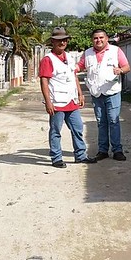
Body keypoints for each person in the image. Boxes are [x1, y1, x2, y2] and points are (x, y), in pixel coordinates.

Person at [39, 27, 97, 168]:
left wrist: (80, 93)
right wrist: (48, 102)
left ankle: (80, 155)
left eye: (64, 40)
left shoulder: (70, 57)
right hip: (57, 102)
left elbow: (73, 76)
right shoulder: (48, 59)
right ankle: (56, 157)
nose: (62, 42)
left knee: (77, 128)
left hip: (71, 100)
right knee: (55, 130)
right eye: (59, 40)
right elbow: (44, 81)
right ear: (52, 41)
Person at [77, 28, 131, 161]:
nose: (98, 40)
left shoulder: (115, 51)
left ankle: (117, 150)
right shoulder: (87, 53)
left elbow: (127, 67)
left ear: (106, 38)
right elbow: (78, 67)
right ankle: (103, 151)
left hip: (112, 92)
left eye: (101, 37)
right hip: (96, 93)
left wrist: (120, 70)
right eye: (95, 38)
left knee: (113, 120)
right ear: (92, 40)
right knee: (101, 122)